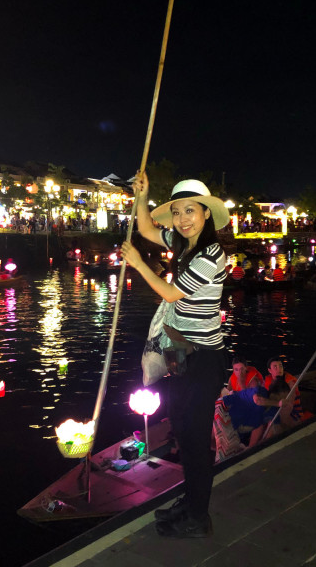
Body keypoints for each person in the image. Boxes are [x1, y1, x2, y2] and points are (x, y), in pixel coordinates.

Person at [120, 171, 230, 538]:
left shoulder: (211, 256)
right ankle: (191, 499)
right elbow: (148, 229)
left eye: (190, 211)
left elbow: (170, 294)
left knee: (196, 439)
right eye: (178, 212)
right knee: (182, 429)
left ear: (206, 214)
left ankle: (199, 517)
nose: (183, 219)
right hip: (183, 356)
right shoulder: (184, 246)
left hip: (205, 359)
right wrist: (143, 195)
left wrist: (137, 263)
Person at [263, 357, 304, 423]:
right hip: (275, 407)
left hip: (293, 411)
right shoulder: (268, 381)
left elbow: (289, 405)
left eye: (280, 366)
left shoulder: (290, 383)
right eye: (275, 367)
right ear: (270, 370)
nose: (279, 369)